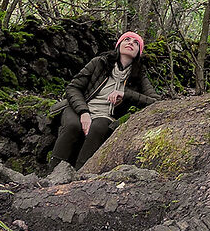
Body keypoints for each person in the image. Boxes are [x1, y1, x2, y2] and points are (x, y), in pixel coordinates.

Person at [45, 29, 156, 183]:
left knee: (99, 128)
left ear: (139, 52)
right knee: (72, 126)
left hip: (106, 115)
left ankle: (80, 177)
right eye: (127, 40)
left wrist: (126, 94)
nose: (130, 43)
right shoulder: (99, 63)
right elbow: (73, 88)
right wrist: (83, 112)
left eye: (136, 42)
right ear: (118, 45)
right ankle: (51, 176)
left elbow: (156, 102)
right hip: (80, 107)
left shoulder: (139, 75)